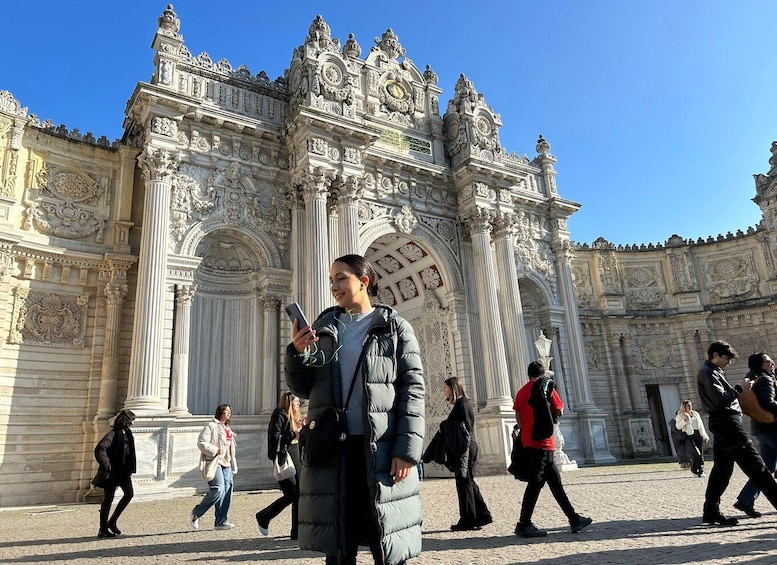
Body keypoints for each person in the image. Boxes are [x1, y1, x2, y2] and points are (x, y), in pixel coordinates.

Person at [285, 254, 425, 565]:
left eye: (341, 278)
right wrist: (296, 353)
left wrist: (406, 450)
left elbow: (412, 392)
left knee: (385, 542)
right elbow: (302, 389)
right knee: (339, 546)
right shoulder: (323, 327)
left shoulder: (395, 328)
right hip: (335, 449)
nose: (334, 286)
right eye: (331, 279)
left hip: (381, 449)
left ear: (364, 282)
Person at [697, 340, 777, 526]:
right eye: (727, 358)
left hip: (724, 423)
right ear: (715, 355)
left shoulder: (713, 371)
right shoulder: (707, 372)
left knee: (722, 470)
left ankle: (711, 511)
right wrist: (740, 388)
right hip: (727, 423)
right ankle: (711, 510)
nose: (729, 362)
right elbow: (720, 400)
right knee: (758, 468)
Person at [512, 361, 592, 538]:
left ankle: (574, 518)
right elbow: (560, 410)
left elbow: (519, 418)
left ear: (528, 375)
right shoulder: (546, 387)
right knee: (536, 482)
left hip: (527, 441)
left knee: (554, 482)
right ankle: (523, 523)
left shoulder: (521, 392)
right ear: (542, 374)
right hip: (543, 442)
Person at [442, 376, 492, 531]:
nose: (444, 391)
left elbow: (463, 430)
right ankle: (482, 515)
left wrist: (445, 425)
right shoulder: (463, 404)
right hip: (467, 447)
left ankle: (467, 519)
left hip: (464, 448)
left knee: (463, 482)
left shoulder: (462, 405)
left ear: (453, 388)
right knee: (468, 481)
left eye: (446, 388)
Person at [733, 352, 777, 518]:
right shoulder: (765, 379)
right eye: (767, 361)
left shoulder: (751, 378)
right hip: (773, 427)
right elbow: (768, 402)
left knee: (765, 469)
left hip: (761, 428)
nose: (771, 363)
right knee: (765, 469)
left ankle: (746, 499)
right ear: (760, 364)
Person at [255, 391, 303, 539]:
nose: (299, 404)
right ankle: (263, 516)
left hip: (296, 457)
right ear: (290, 402)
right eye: (296, 402)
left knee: (299, 496)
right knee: (292, 494)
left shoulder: (295, 417)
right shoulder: (279, 415)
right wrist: (293, 435)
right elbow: (275, 437)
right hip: (284, 458)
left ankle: (297, 532)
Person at [190, 404, 238, 530]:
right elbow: (201, 442)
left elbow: (230, 448)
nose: (228, 413)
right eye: (226, 411)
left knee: (227, 489)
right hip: (215, 461)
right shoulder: (211, 426)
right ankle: (197, 512)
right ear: (220, 412)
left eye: (230, 411)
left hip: (226, 463)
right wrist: (216, 450)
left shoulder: (228, 428)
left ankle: (221, 520)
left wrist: (233, 463)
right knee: (218, 488)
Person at [94, 409, 136, 538]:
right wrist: (107, 464)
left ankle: (112, 522)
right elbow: (100, 449)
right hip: (113, 472)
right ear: (125, 421)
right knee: (108, 499)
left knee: (129, 494)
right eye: (131, 421)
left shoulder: (127, 433)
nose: (133, 424)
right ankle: (103, 528)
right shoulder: (113, 434)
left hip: (124, 471)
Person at [675, 400, 709, 477]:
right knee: (696, 453)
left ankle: (700, 470)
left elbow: (701, 426)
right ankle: (694, 469)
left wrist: (705, 436)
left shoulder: (696, 414)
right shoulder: (680, 415)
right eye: (688, 406)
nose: (690, 407)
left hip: (698, 434)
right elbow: (678, 426)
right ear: (684, 407)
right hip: (689, 435)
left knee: (701, 454)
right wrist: (684, 420)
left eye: (690, 405)